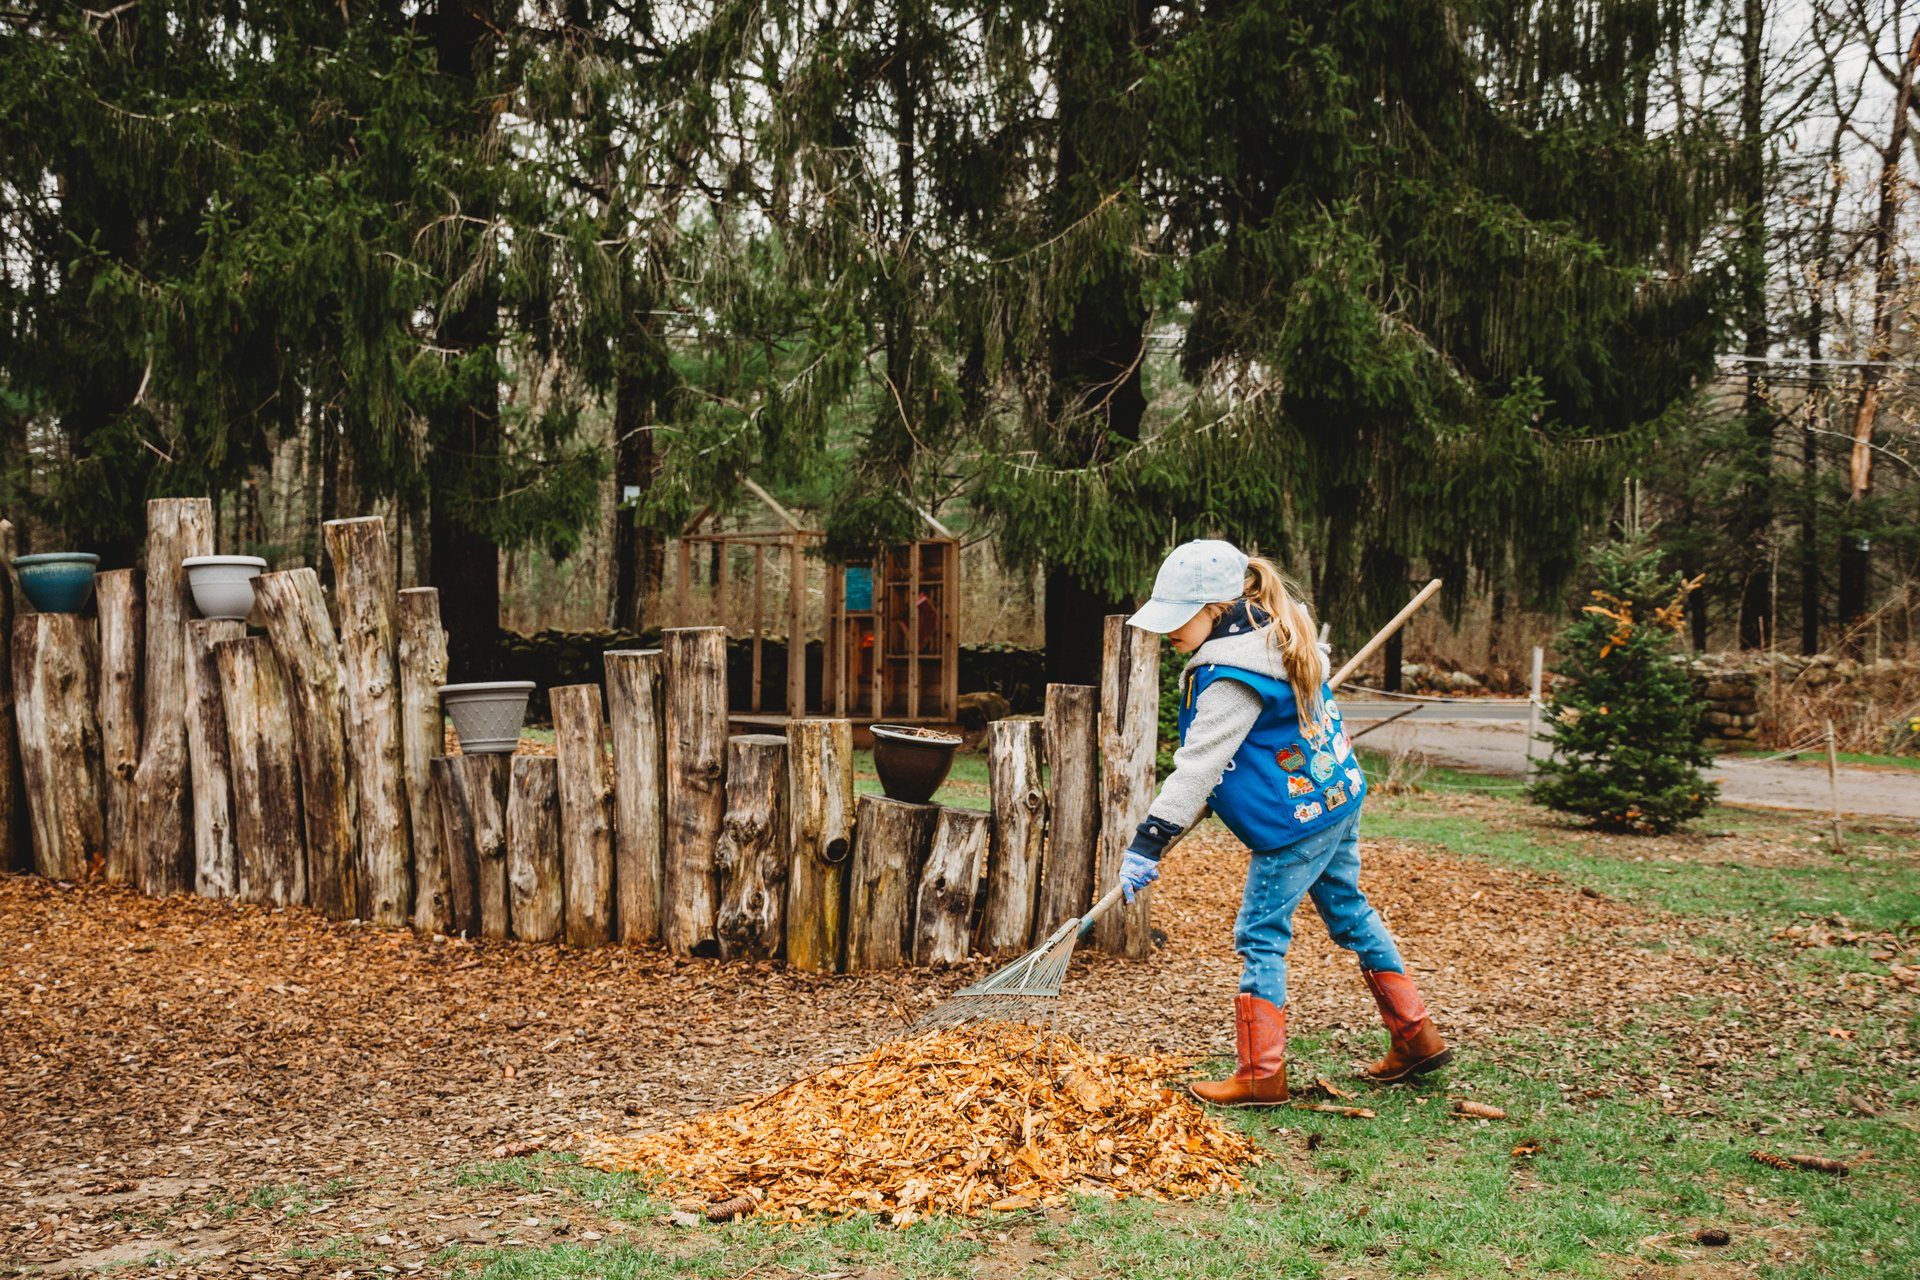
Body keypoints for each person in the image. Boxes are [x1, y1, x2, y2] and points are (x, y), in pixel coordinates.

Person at [1116, 539, 1452, 1107]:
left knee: (1260, 934)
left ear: (1214, 611)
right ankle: (1417, 1037)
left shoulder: (1230, 678)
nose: (1166, 632)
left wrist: (1148, 842)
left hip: (1293, 823)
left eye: (1178, 619)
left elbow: (1197, 765)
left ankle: (1261, 1073)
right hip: (1337, 797)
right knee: (1349, 912)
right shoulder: (1279, 633)